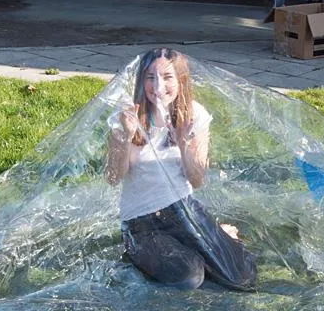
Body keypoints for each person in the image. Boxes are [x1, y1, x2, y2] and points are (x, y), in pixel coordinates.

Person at [106, 48, 257, 291]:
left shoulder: (193, 115)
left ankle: (213, 237)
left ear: (180, 81)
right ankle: (139, 250)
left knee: (240, 275)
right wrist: (126, 135)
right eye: (150, 77)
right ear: (140, 80)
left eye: (167, 77)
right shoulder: (127, 114)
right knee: (188, 276)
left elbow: (196, 180)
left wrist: (185, 143)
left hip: (184, 210)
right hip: (142, 221)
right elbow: (113, 177)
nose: (158, 86)